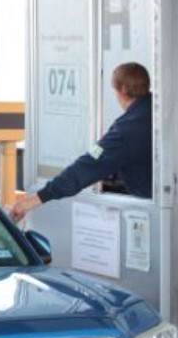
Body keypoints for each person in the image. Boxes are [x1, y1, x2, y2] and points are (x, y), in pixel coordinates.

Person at [10, 62, 153, 223]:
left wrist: (36, 199)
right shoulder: (169, 111)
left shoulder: (126, 129)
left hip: (154, 209)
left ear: (123, 90)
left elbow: (88, 164)